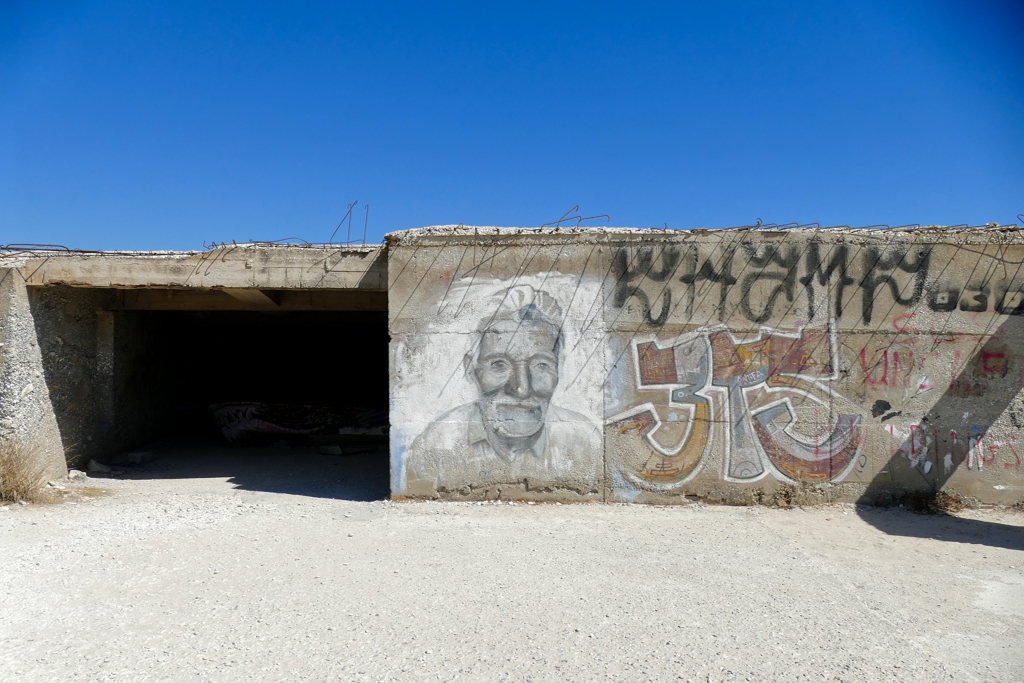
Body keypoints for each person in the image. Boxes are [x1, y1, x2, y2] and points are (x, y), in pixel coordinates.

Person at [404, 285, 601, 495]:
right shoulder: (436, 442)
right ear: (472, 369)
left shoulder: (585, 441)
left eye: (541, 365)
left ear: (558, 370)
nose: (521, 388)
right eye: (499, 364)